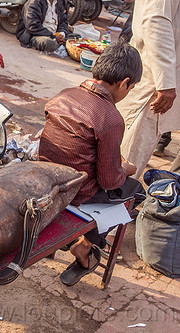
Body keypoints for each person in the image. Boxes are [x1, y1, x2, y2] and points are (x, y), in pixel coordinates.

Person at [39, 41, 145, 286]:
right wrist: (126, 169)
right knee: (134, 190)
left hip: (47, 179)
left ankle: (84, 241)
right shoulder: (111, 118)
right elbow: (109, 180)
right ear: (125, 83)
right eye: (130, 88)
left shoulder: (63, 95)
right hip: (77, 193)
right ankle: (88, 246)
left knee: (115, 184)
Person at [117, 1, 180, 179]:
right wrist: (166, 82)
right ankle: (115, 200)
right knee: (130, 149)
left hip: (159, 78)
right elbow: (155, 22)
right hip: (154, 81)